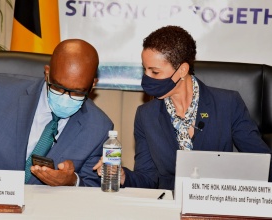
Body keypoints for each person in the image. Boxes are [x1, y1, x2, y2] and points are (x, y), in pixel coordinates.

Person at [94, 25, 272, 190]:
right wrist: (123, 176)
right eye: (144, 70)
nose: (146, 79)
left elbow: (263, 163)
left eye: (155, 72)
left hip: (219, 201)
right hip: (168, 206)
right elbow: (147, 178)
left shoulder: (228, 104)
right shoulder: (145, 115)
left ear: (182, 70)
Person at [0, 39, 113, 187]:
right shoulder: (0, 92)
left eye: (77, 91)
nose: (65, 96)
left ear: (92, 86)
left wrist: (72, 181)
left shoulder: (98, 128)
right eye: (59, 87)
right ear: (47, 73)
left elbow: (93, 187)